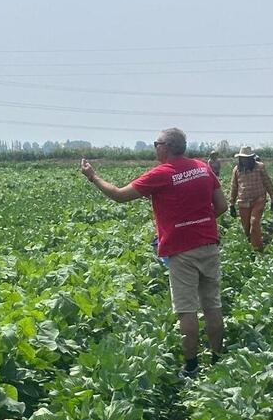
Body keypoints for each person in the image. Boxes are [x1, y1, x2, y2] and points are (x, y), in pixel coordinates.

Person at [80, 127, 228, 378]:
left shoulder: (162, 174)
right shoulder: (203, 168)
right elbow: (222, 206)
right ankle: (218, 359)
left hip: (181, 250)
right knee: (212, 305)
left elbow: (118, 195)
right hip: (208, 245)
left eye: (156, 144)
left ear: (166, 147)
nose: (155, 148)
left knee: (186, 310)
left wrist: (93, 177)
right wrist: (199, 223)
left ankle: (191, 367)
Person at [228, 146, 273, 251]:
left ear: (251, 158)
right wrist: (231, 204)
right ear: (240, 159)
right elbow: (234, 187)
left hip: (258, 199)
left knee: (254, 222)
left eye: (247, 158)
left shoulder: (259, 167)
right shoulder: (237, 170)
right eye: (242, 158)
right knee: (246, 228)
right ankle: (250, 248)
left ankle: (258, 249)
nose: (245, 160)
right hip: (243, 202)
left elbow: (267, 183)